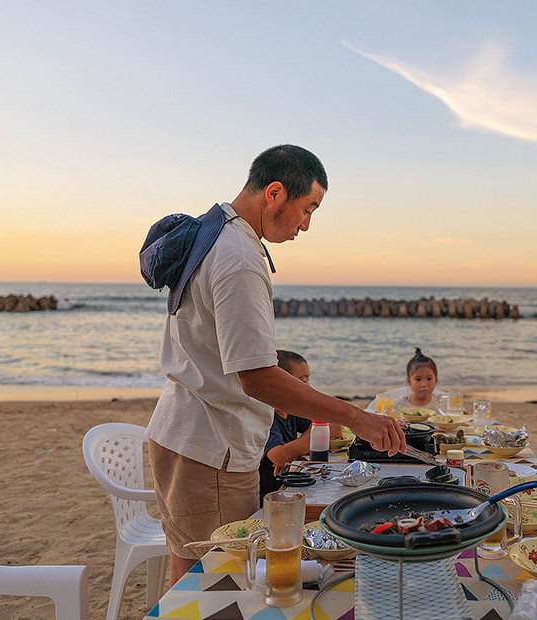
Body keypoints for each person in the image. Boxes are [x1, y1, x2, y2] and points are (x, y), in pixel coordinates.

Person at [145, 145, 406, 586]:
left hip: (182, 435)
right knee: (218, 582)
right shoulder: (240, 257)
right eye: (308, 209)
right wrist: (355, 417)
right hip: (212, 449)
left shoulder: (213, 231)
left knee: (189, 572)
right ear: (275, 193)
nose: (307, 224)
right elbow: (257, 377)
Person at [258, 350, 344, 499]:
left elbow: (336, 425)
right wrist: (316, 433)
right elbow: (279, 456)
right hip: (272, 496)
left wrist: (292, 451)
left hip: (290, 487)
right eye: (303, 382)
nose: (308, 388)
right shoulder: (265, 416)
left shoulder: (290, 411)